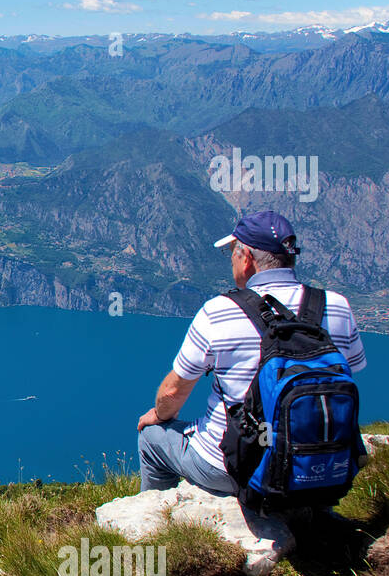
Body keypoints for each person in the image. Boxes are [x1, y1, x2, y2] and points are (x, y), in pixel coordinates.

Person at [136, 210, 366, 496]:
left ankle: (157, 517)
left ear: (246, 259)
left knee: (150, 437)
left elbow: (173, 393)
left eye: (232, 252)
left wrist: (158, 415)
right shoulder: (337, 306)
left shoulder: (218, 312)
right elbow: (349, 370)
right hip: (321, 463)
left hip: (233, 465)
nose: (231, 259)